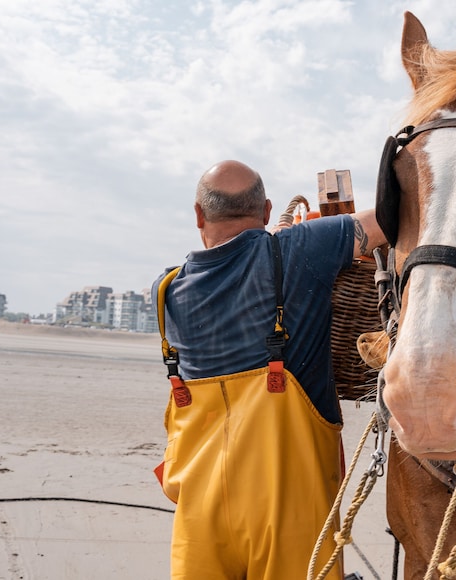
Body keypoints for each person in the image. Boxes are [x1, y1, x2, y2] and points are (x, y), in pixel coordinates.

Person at [151, 160, 386, 580]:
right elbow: (392, 213)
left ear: (199, 215)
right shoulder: (300, 248)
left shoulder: (166, 290)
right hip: (288, 510)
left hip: (199, 514)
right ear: (265, 211)